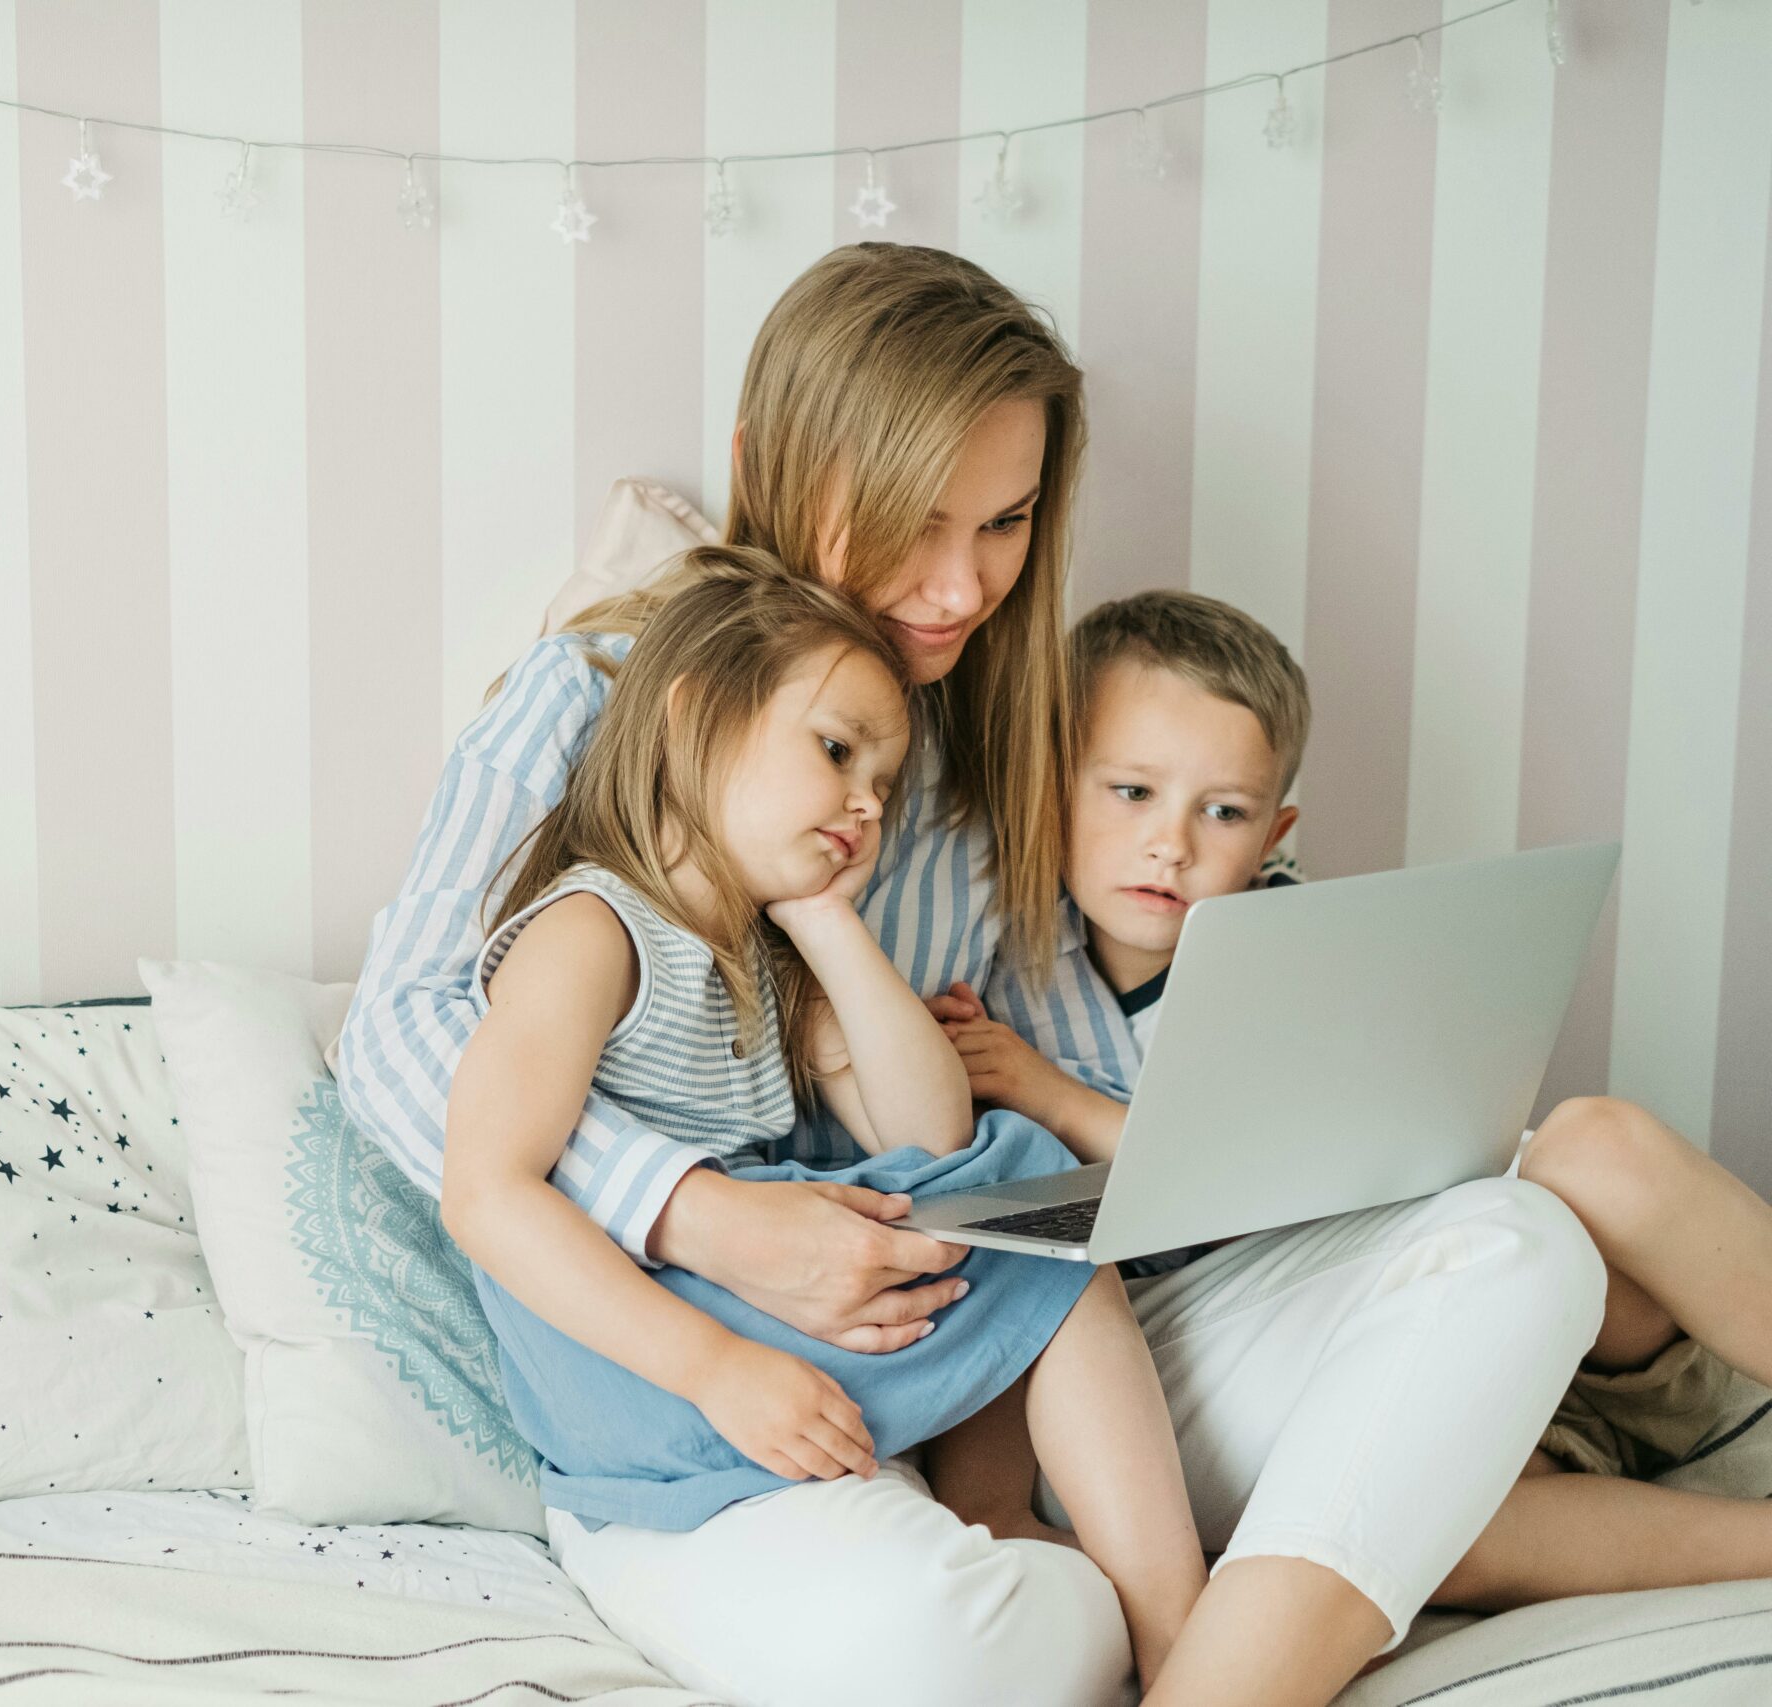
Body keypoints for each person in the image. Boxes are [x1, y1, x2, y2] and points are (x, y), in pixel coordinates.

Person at [335, 242, 1605, 1707]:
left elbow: (1059, 1055)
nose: (954, 589)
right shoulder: (607, 706)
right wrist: (698, 1215)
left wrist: (1312, 1090)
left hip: (1050, 1292)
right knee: (958, 1631)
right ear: (774, 463)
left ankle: (1204, 1652)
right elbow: (398, 1040)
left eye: (1004, 524)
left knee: (1525, 1244)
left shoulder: (1026, 729)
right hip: (755, 1354)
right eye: (915, 523)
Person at [440, 551, 1205, 1687]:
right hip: (646, 1361)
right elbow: (484, 1192)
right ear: (695, 719)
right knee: (1042, 1199)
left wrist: (825, 925)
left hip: (729, 1332)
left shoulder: (763, 959)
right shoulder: (591, 930)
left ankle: (999, 1511)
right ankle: (1181, 1634)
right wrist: (710, 1369)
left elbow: (932, 1125)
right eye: (836, 751)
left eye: (885, 787)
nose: (865, 802)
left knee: (1024, 1195)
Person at [937, 586, 1772, 1614]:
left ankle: (1695, 1415)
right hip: (1263, 1341)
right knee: (1431, 1534)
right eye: (1130, 793)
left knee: (1598, 1142)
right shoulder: (997, 963)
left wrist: (1052, 1093)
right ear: (1047, 780)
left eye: (1223, 812)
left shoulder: (1290, 948)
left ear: (1272, 831)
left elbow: (1280, 1168)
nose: (1172, 844)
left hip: (1491, 1288)